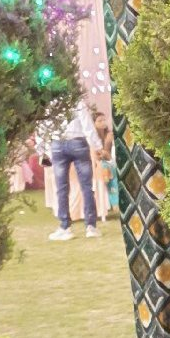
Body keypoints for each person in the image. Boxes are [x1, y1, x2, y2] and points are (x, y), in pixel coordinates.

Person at [42, 97, 101, 240]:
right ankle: (91, 226)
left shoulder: (50, 102)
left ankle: (65, 227)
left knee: (61, 188)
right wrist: (97, 145)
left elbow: (44, 127)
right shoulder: (77, 101)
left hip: (58, 143)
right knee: (86, 187)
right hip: (78, 143)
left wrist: (43, 150)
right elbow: (87, 124)